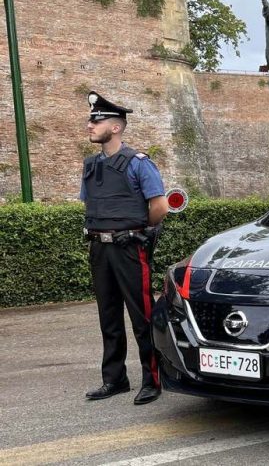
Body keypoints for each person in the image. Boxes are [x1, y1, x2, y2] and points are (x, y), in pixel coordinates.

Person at [80, 91, 168, 405]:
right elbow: (91, 204)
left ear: (115, 127)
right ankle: (114, 379)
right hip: (99, 249)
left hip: (129, 248)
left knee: (142, 316)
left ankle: (152, 380)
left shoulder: (138, 164)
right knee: (109, 317)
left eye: (96, 119)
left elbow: (159, 206)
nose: (90, 124)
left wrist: (136, 231)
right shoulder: (91, 166)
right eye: (91, 119)